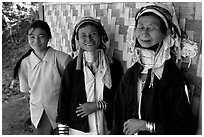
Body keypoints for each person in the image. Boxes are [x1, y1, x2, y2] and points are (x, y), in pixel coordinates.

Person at [110, 3, 196, 135]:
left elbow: (185, 127)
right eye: (141, 27)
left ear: (165, 33)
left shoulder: (171, 77)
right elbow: (118, 120)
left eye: (152, 28)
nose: (144, 33)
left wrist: (147, 126)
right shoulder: (130, 75)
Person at [56, 16, 123, 135]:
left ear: (101, 37)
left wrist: (97, 105)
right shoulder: (72, 68)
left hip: (107, 128)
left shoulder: (114, 66)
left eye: (93, 34)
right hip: (78, 130)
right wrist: (62, 131)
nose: (89, 39)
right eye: (83, 36)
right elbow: (64, 99)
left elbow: (120, 97)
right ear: (77, 39)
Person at [13, 20, 72, 135]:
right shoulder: (25, 64)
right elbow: (26, 90)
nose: (36, 41)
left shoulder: (62, 59)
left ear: (49, 37)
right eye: (32, 37)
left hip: (62, 113)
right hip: (38, 114)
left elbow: (72, 88)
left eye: (41, 36)